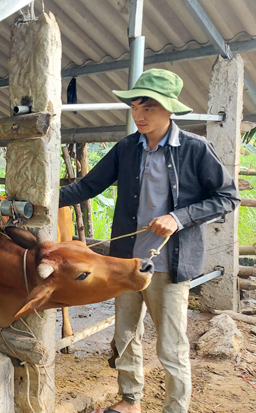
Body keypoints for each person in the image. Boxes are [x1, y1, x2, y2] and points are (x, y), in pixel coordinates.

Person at [60, 68, 240, 413]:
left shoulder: (195, 149)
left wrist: (179, 217)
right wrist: (40, 202)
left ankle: (176, 408)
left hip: (168, 265)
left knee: (171, 346)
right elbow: (87, 186)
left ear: (170, 110)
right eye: (135, 107)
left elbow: (227, 197)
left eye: (149, 108)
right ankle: (131, 400)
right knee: (125, 336)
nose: (139, 116)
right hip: (125, 262)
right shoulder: (127, 148)